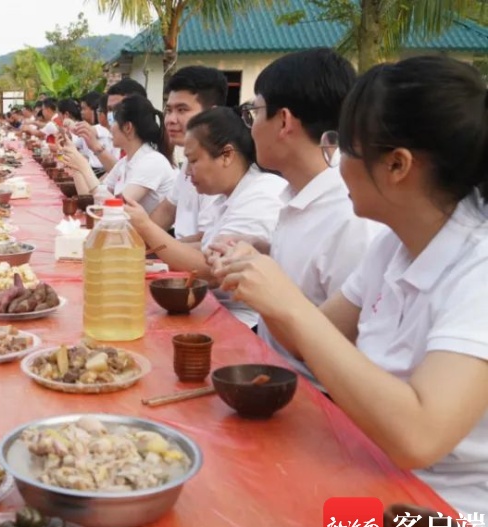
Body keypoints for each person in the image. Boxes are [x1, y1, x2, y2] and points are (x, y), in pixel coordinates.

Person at [211, 56, 488, 515]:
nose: (336, 163)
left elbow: (418, 436)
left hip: (454, 525)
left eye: (345, 148)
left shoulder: (477, 270)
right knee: (229, 489)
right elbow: (313, 340)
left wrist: (289, 305)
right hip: (375, 473)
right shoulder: (394, 246)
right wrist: (261, 287)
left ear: (398, 164)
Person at [210, 48, 380, 385]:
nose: (251, 127)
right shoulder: (294, 196)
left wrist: (259, 285)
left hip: (314, 396)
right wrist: (261, 251)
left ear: (284, 121)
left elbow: (335, 346)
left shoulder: (351, 215)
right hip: (269, 366)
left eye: (254, 112)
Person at [125, 107, 285, 327]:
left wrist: (146, 228)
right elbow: (206, 245)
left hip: (246, 325)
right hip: (216, 309)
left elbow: (211, 271)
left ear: (227, 155)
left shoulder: (261, 195)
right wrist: (149, 251)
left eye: (193, 161)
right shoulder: (226, 195)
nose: (188, 172)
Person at [148, 66, 229, 239]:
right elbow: (167, 210)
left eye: (182, 110)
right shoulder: (189, 159)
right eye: (168, 110)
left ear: (212, 114)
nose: (170, 120)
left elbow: (206, 239)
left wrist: (158, 247)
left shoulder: (220, 165)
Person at [60, 94, 175, 215]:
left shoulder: (152, 162)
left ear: (128, 127)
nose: (110, 127)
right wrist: (76, 166)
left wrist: (83, 166)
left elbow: (117, 209)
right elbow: (91, 198)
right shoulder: (125, 162)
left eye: (114, 121)